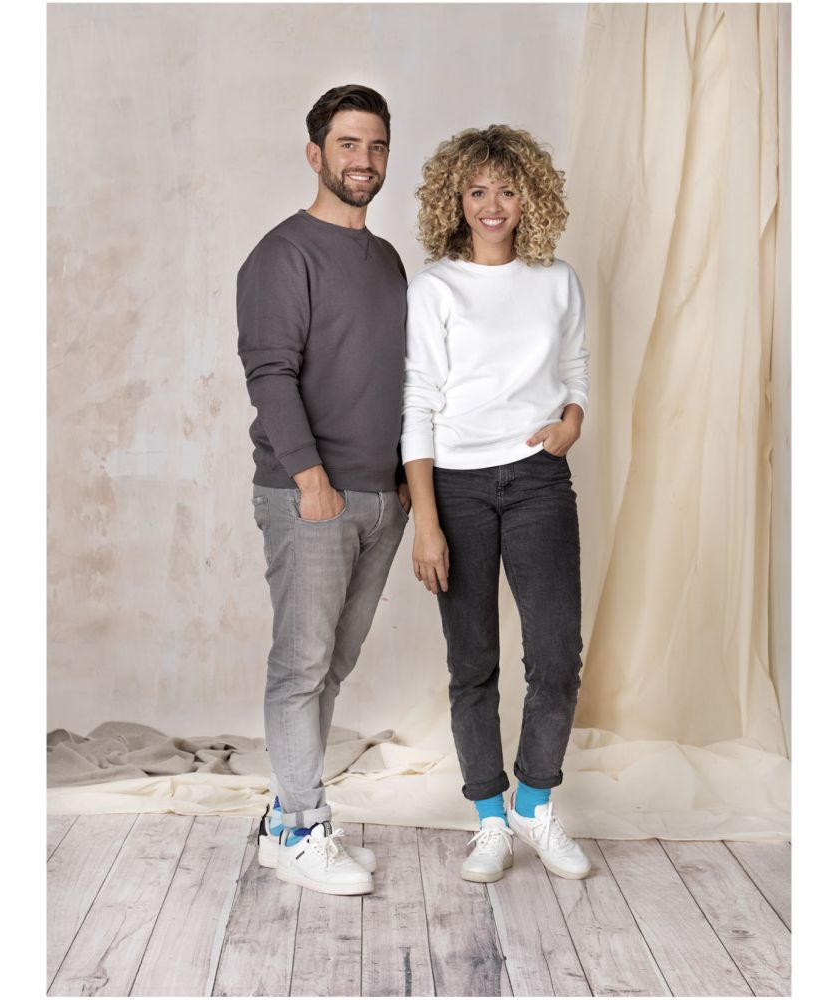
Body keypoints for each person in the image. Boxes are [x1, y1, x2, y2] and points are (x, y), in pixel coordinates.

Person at [401, 125, 591, 883]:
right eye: (477, 190)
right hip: (457, 486)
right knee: (472, 662)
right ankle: (489, 818)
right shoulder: (434, 289)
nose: (492, 205)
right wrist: (426, 521)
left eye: (507, 190)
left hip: (539, 478)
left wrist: (571, 423)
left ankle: (533, 804)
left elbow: (575, 369)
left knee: (556, 656)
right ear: (455, 199)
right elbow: (417, 400)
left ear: (529, 198)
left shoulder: (557, 281)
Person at [237, 84, 410, 897]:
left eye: (375, 145)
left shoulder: (387, 260)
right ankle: (305, 826)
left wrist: (401, 486)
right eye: (348, 144)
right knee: (300, 666)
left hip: (380, 499)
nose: (363, 160)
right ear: (316, 154)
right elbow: (270, 373)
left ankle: (285, 822)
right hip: (310, 495)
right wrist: (310, 479)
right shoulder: (282, 255)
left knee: (332, 667)